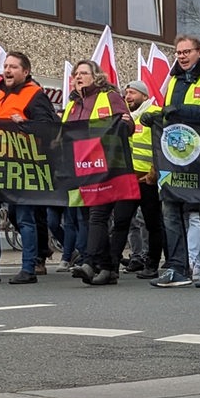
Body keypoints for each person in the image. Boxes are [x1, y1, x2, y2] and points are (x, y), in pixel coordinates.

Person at [0, 51, 58, 285]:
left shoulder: (35, 95)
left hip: (20, 166)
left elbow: (49, 128)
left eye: (13, 67)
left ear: (25, 72)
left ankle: (29, 267)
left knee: (24, 217)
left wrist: (25, 124)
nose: (7, 70)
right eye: (5, 66)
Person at [149, 35, 200, 288]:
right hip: (177, 156)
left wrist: (182, 112)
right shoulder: (174, 80)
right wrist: (155, 117)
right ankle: (177, 268)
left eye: (187, 51)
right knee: (170, 209)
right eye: (178, 52)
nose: (182, 56)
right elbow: (170, 114)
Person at [64, 60, 133, 286]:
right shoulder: (72, 105)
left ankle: (89, 262)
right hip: (81, 170)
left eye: (84, 73)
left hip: (108, 168)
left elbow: (129, 125)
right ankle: (107, 268)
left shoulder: (110, 96)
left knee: (98, 215)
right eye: (76, 73)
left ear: (96, 76)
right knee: (87, 217)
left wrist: (123, 123)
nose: (79, 76)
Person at [123, 80, 165, 280]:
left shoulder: (155, 113)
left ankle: (153, 263)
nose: (128, 96)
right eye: (126, 93)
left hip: (149, 180)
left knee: (152, 223)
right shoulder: (127, 118)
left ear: (144, 96)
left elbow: (161, 145)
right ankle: (113, 262)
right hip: (130, 180)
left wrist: (155, 171)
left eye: (132, 92)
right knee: (123, 221)